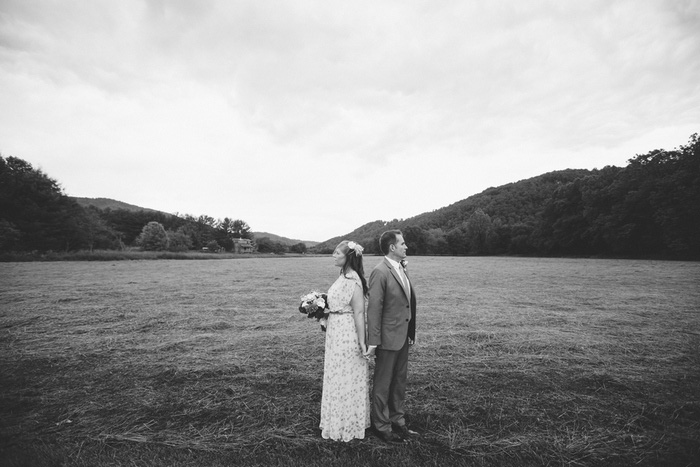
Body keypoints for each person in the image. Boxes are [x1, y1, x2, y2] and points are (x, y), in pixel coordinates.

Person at [366, 230, 418, 443]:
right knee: (383, 383)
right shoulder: (380, 271)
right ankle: (381, 426)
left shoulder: (401, 267)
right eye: (403, 243)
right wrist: (374, 341)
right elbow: (374, 310)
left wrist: (411, 332)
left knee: (399, 381)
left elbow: (407, 302)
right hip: (387, 339)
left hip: (402, 336)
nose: (406, 247)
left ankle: (398, 421)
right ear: (392, 247)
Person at [319, 240, 371, 441]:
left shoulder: (354, 279)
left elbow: (359, 313)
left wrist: (362, 342)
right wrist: (322, 313)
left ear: (347, 257)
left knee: (345, 376)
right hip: (335, 332)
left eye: (336, 253)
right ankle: (335, 420)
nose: (333, 255)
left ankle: (348, 424)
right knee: (335, 375)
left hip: (346, 334)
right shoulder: (343, 275)